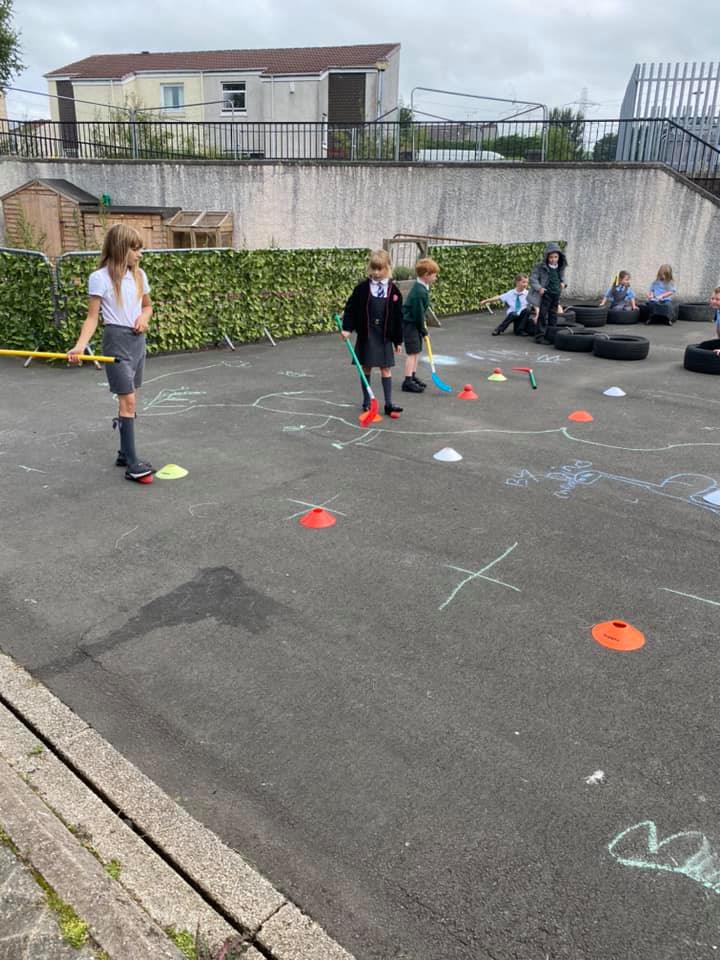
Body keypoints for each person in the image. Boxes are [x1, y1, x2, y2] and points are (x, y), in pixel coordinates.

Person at [67, 224, 154, 482]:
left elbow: (148, 307)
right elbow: (92, 318)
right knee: (128, 401)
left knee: (130, 399)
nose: (139, 254)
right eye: (135, 249)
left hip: (137, 342)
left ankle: (124, 454)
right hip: (116, 342)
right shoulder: (100, 278)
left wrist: (144, 318)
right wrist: (80, 346)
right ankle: (132, 465)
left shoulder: (139, 276)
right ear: (120, 249)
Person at [341, 249, 404, 417]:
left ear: (387, 268)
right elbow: (351, 309)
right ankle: (367, 401)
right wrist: (347, 328)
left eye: (380, 269)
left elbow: (398, 317)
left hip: (384, 335)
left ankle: (388, 403)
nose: (376, 273)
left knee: (386, 368)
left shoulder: (394, 291)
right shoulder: (362, 289)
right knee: (366, 367)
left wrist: (398, 340)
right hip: (367, 333)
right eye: (373, 268)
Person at [401, 257, 439, 392]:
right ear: (426, 275)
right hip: (410, 324)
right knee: (412, 353)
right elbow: (417, 314)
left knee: (416, 351)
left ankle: (412, 376)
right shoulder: (419, 292)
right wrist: (423, 331)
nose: (436, 277)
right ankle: (407, 382)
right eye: (434, 275)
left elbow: (422, 311)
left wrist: (423, 326)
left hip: (415, 323)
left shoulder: (423, 287)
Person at [528, 243, 568, 343]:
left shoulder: (560, 266)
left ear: (559, 257)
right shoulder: (540, 267)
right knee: (542, 314)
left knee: (553, 315)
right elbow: (533, 278)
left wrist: (563, 283)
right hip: (546, 294)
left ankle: (551, 334)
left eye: (555, 257)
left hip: (556, 294)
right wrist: (539, 288)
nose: (553, 259)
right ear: (547, 257)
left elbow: (562, 277)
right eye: (551, 257)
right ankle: (540, 336)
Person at [710, 286, 720, 356]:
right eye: (712, 298)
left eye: (717, 299)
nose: (713, 301)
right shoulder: (718, 311)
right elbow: (718, 329)